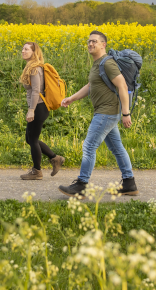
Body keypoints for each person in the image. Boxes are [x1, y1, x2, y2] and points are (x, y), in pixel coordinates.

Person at [58, 31, 137, 196]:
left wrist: (126, 113)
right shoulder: (98, 64)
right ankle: (129, 184)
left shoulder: (107, 63)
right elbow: (90, 85)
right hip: (106, 112)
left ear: (103, 44)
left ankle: (81, 185)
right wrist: (72, 98)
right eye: (88, 41)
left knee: (88, 146)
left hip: (106, 113)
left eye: (94, 41)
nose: (90, 44)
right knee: (117, 147)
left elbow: (122, 86)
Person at [19, 42, 65, 180]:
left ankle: (37, 171)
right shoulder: (31, 67)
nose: (23, 51)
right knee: (30, 138)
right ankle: (55, 158)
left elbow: (36, 91)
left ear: (34, 52)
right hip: (38, 107)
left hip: (38, 107)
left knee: (32, 139)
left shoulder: (35, 68)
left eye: (26, 49)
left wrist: (31, 110)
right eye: (23, 48)